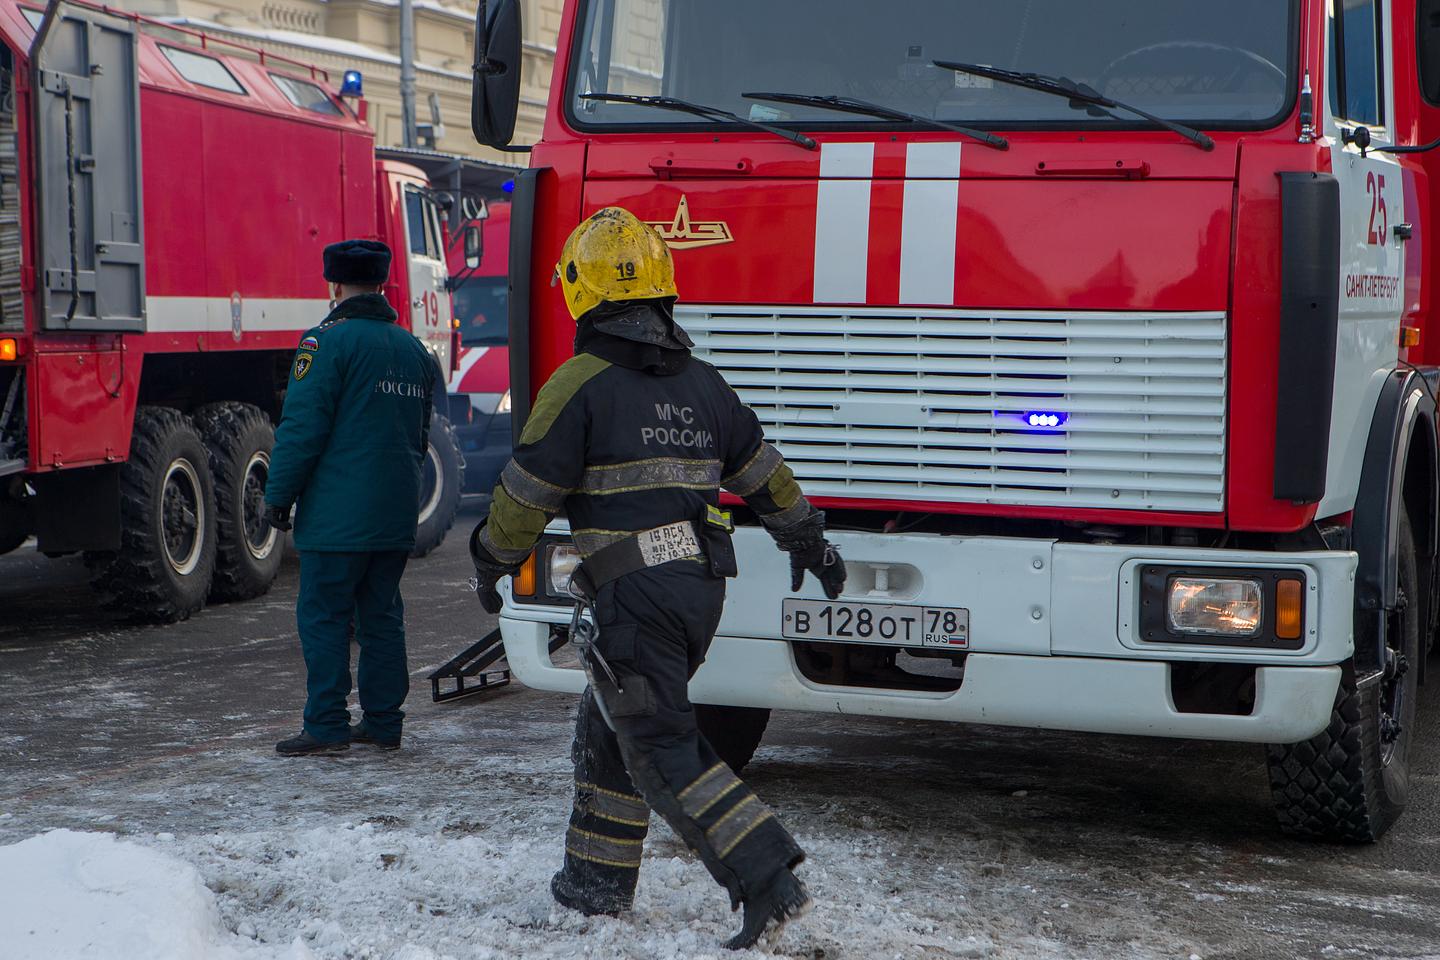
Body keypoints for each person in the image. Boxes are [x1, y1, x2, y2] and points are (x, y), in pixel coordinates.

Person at [468, 208, 846, 949]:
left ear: (584, 292)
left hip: (635, 597)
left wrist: (489, 557)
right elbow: (763, 471)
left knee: (659, 746)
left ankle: (769, 876)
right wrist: (808, 538)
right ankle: (593, 890)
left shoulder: (579, 383)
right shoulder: (704, 385)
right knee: (609, 732)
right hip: (696, 591)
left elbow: (525, 496)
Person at [264, 239, 435, 757]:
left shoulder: (324, 344)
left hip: (337, 517)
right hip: (394, 512)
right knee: (381, 616)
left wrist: (278, 496)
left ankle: (327, 722)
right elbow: (420, 436)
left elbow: (302, 428)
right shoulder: (413, 350)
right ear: (382, 283)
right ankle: (384, 722)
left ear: (334, 285)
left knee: (325, 616)